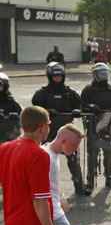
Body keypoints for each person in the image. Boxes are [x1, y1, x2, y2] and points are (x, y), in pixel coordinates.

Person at [32, 62, 89, 196]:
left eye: (59, 76)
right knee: (42, 162)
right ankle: (40, 188)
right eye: (54, 76)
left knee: (73, 159)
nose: (57, 78)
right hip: (47, 133)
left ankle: (79, 186)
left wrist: (77, 111)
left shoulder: (69, 93)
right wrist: (45, 111)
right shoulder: (42, 93)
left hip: (66, 132)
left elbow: (81, 106)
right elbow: (34, 109)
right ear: (49, 76)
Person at [80, 62, 111, 190]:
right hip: (93, 126)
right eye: (101, 73)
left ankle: (110, 178)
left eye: (105, 73)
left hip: (109, 127)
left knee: (109, 153)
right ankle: (90, 181)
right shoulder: (88, 90)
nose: (104, 76)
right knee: (93, 154)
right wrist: (90, 107)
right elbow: (81, 106)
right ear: (95, 75)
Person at [0, 73, 21, 143]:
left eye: (1, 85)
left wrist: (14, 117)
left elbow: (21, 114)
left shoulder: (11, 101)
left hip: (7, 138)